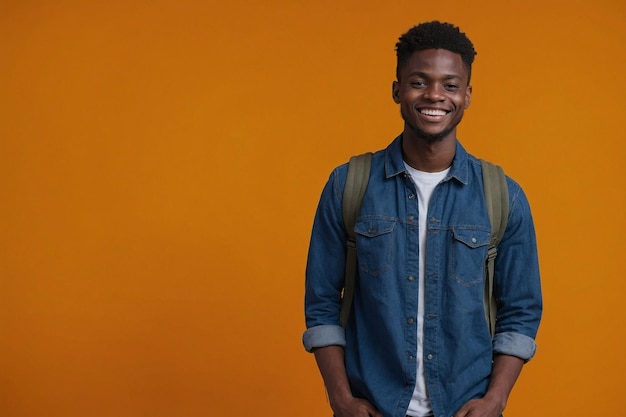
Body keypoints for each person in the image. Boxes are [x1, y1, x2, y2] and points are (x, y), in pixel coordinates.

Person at [302, 21, 542, 417]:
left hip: (466, 405)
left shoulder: (503, 196)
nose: (435, 95)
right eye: (419, 82)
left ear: (467, 95)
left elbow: (521, 308)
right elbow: (322, 302)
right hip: (374, 405)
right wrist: (340, 399)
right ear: (397, 89)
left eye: (450, 85)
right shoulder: (349, 185)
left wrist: (496, 399)